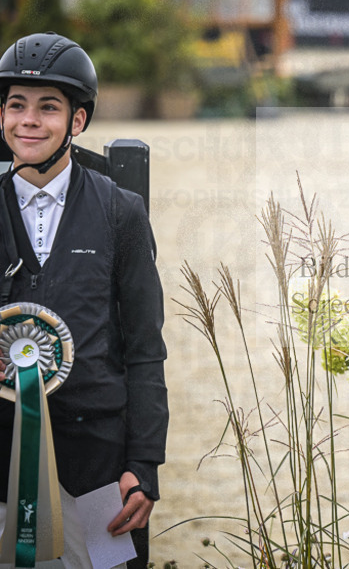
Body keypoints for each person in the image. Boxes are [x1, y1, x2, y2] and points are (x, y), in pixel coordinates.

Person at [0, 32, 168, 568]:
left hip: (99, 466)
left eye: (48, 107)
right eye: (15, 105)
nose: (29, 120)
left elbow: (145, 347)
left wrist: (143, 464)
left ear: (78, 121)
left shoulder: (122, 213)